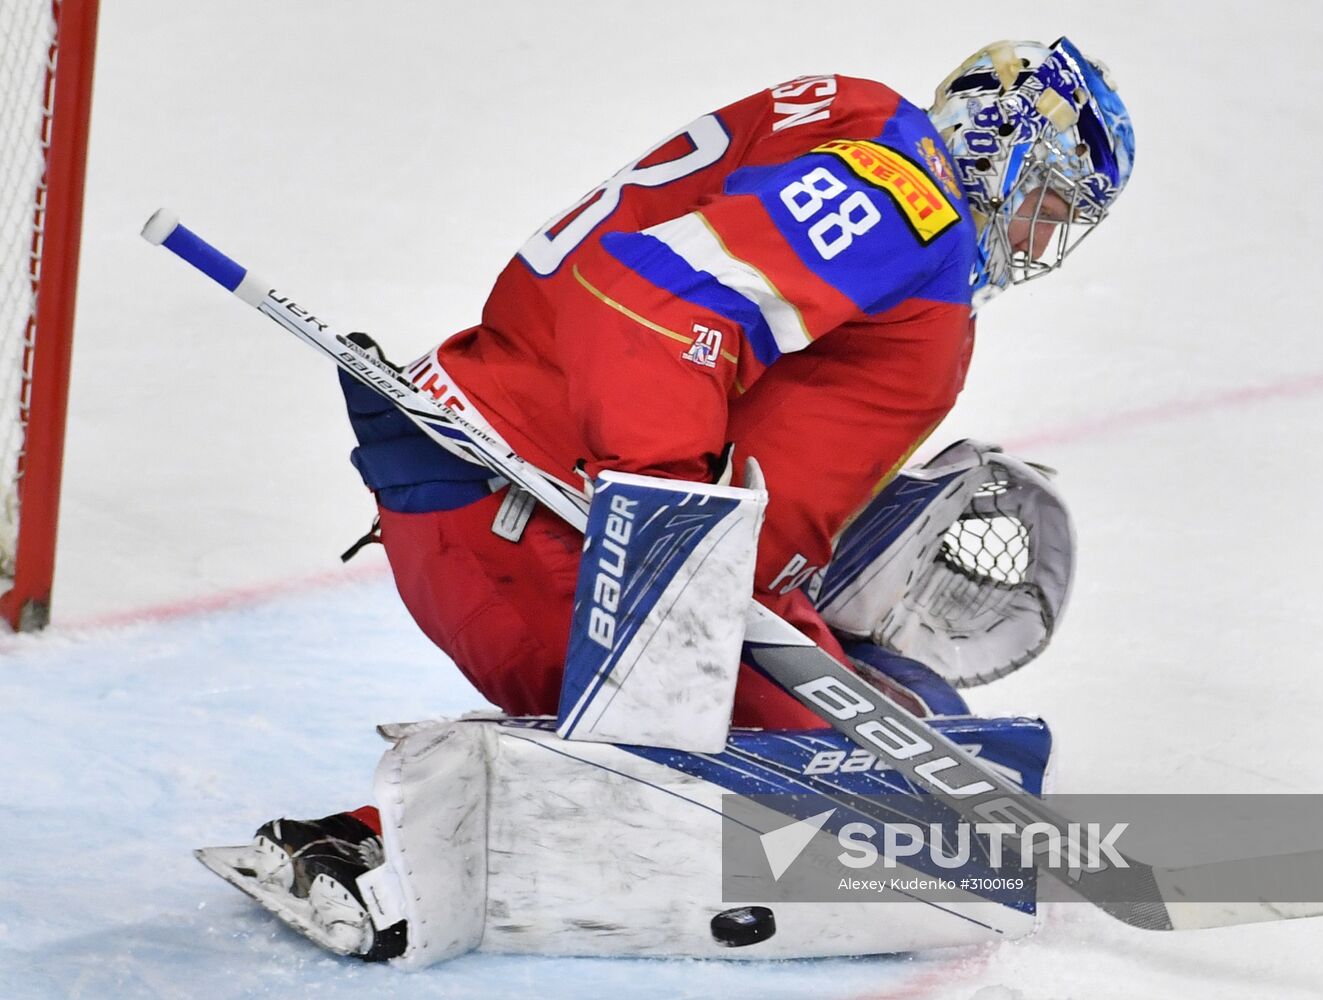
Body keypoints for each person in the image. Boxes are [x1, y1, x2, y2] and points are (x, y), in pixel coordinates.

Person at [212, 37, 1135, 962]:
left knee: (919, 735)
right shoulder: (906, 198)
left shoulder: (858, 126)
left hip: (526, 494)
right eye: (1050, 200)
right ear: (1003, 137)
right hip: (535, 519)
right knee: (896, 822)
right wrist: (673, 530)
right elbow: (653, 303)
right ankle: (390, 846)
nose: (1040, 236)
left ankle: (471, 811)